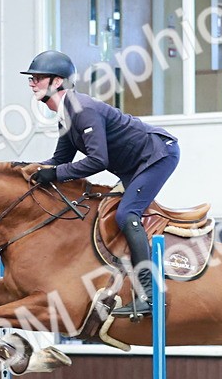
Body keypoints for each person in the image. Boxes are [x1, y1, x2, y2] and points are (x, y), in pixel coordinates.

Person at [18, 50, 180, 318]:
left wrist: (54, 173)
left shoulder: (84, 111)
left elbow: (97, 160)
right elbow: (59, 160)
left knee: (127, 214)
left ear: (57, 82)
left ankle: (151, 296)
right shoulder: (67, 115)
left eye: (37, 77)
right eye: (31, 79)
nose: (32, 82)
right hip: (135, 163)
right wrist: (27, 169)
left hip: (158, 154)